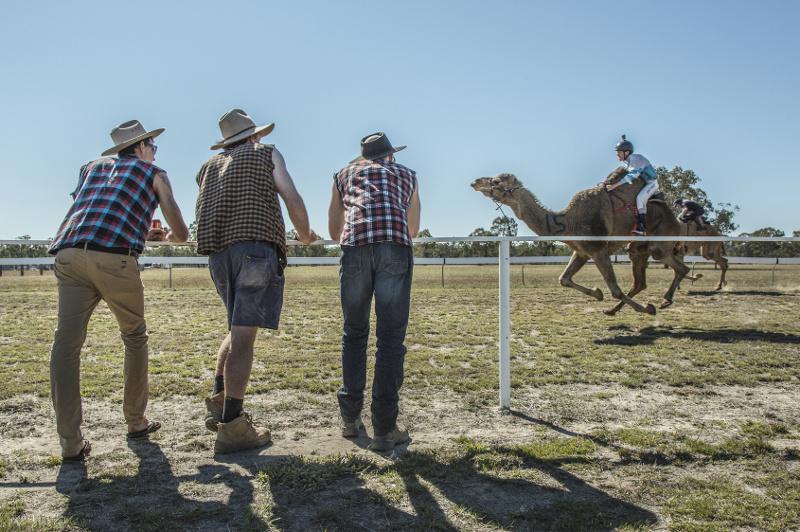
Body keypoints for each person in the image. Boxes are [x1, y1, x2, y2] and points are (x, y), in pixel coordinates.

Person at [49, 120, 190, 461]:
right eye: (153, 146)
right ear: (141, 147)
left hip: (69, 252)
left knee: (66, 346)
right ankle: (135, 421)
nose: (155, 152)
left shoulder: (90, 168)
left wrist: (141, 232)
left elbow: (101, 210)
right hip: (115, 260)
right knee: (134, 337)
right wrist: (167, 237)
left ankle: (70, 442)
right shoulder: (154, 173)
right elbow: (181, 232)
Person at [195, 109, 318, 454]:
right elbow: (291, 196)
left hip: (218, 255)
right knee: (244, 337)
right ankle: (233, 426)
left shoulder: (207, 168)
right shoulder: (267, 153)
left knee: (236, 328)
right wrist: (306, 234)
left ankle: (219, 400)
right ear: (255, 136)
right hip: (255, 249)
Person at [328, 132, 421, 452]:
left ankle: (350, 419)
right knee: (391, 339)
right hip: (394, 250)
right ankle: (385, 428)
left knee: (353, 333)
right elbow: (413, 229)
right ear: (390, 155)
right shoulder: (407, 175)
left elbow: (333, 228)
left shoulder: (343, 174)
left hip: (354, 249)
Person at [605, 135, 659, 235]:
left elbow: (631, 176)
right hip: (643, 184)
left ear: (627, 152)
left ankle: (642, 227)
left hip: (651, 184)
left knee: (639, 198)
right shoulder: (628, 162)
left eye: (619, 152)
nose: (617, 155)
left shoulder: (636, 159)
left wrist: (613, 186)